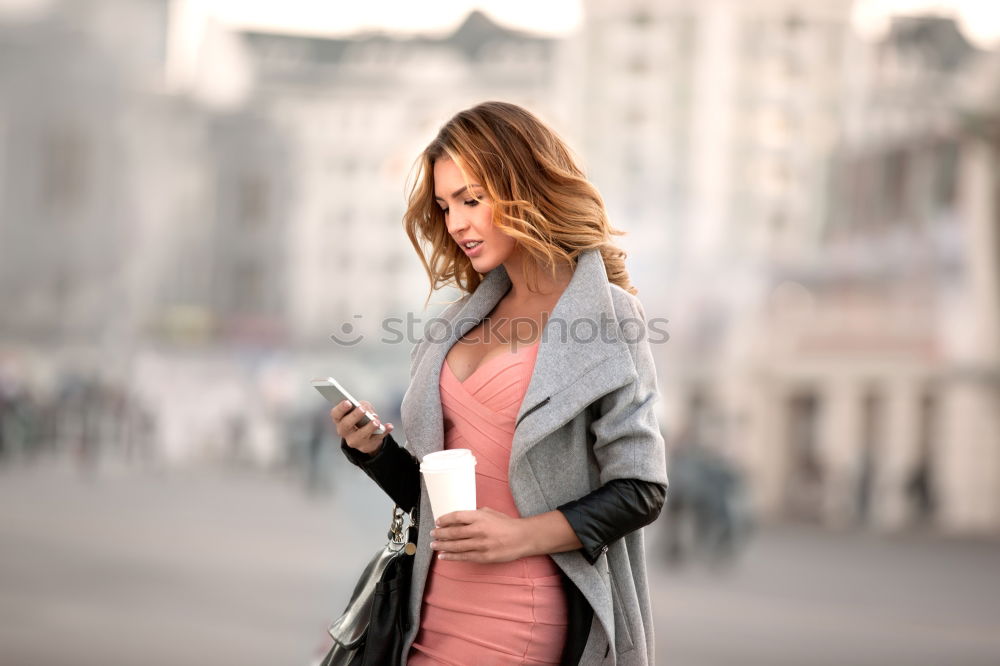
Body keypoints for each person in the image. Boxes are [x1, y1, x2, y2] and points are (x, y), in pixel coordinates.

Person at [330, 101, 668, 665]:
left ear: (525, 187)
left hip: (522, 612)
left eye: (471, 199)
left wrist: (519, 535)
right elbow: (435, 500)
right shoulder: (452, 325)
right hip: (427, 609)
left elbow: (641, 487)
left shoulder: (609, 318)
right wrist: (373, 451)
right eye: (444, 206)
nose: (457, 223)